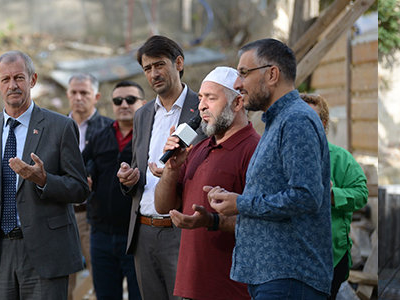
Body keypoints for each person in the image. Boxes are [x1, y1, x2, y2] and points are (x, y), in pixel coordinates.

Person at [206, 38, 332, 299]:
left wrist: (241, 204)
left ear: (272, 74)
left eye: (243, 73)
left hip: (289, 278)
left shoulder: (296, 120)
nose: (238, 84)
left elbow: (306, 196)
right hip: (273, 277)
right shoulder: (279, 121)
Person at [0, 50, 90, 299]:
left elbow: (80, 189)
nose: (13, 85)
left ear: (32, 80)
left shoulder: (61, 126)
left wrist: (44, 180)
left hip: (46, 253)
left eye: (19, 78)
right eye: (6, 79)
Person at [155, 67, 257, 300]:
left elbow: (261, 220)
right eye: (200, 98)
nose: (201, 106)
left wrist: (211, 221)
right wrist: (172, 169)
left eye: (211, 98)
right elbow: (163, 207)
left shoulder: (254, 149)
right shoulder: (199, 148)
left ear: (238, 102)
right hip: (189, 286)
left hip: (231, 290)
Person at [115, 35, 205, 300]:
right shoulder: (142, 115)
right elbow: (138, 167)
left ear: (178, 63)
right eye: (147, 68)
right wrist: (128, 179)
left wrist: (175, 171)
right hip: (143, 231)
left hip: (182, 232)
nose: (153, 74)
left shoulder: (201, 107)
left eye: (159, 65)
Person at [299, 93, 368, 300]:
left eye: (311, 119)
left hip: (330, 257)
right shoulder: (280, 155)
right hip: (291, 258)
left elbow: (361, 195)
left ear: (324, 123)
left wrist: (331, 194)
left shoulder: (341, 158)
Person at [83, 80, 145, 300]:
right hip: (101, 235)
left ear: (143, 103)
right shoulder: (99, 137)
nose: (124, 104)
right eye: (118, 100)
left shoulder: (149, 138)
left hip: (137, 236)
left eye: (130, 99)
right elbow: (79, 167)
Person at [65, 73, 111, 300]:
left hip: (92, 215)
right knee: (63, 282)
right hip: (60, 215)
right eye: (74, 92)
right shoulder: (56, 126)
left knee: (100, 278)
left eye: (84, 93)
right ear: (67, 95)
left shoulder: (109, 128)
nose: (78, 97)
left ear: (96, 96)